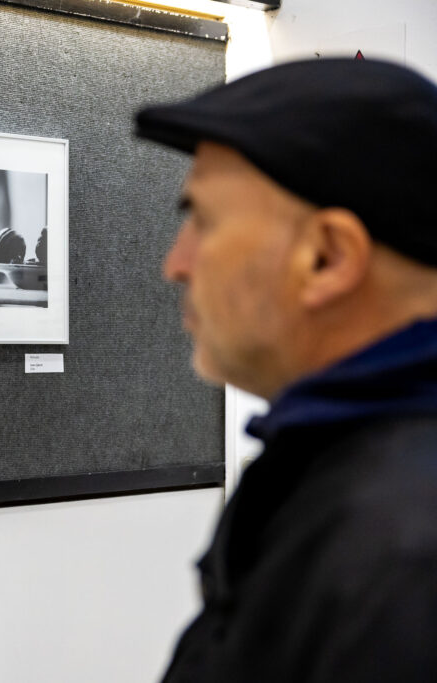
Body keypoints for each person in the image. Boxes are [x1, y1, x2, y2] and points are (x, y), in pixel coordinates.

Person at [135, 58, 437, 682]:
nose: (176, 264)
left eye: (203, 221)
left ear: (327, 258)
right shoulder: (335, 468)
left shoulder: (401, 552)